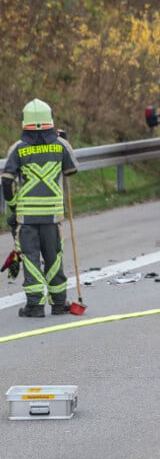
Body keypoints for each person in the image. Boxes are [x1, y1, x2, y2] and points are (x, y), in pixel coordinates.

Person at [2, 99, 79, 317]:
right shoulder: (60, 145)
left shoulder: (18, 148)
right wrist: (65, 142)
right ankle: (59, 303)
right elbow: (71, 170)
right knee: (54, 258)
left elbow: (6, 180)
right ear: (50, 120)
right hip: (52, 216)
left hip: (27, 217)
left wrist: (13, 205)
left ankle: (35, 306)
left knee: (30, 259)